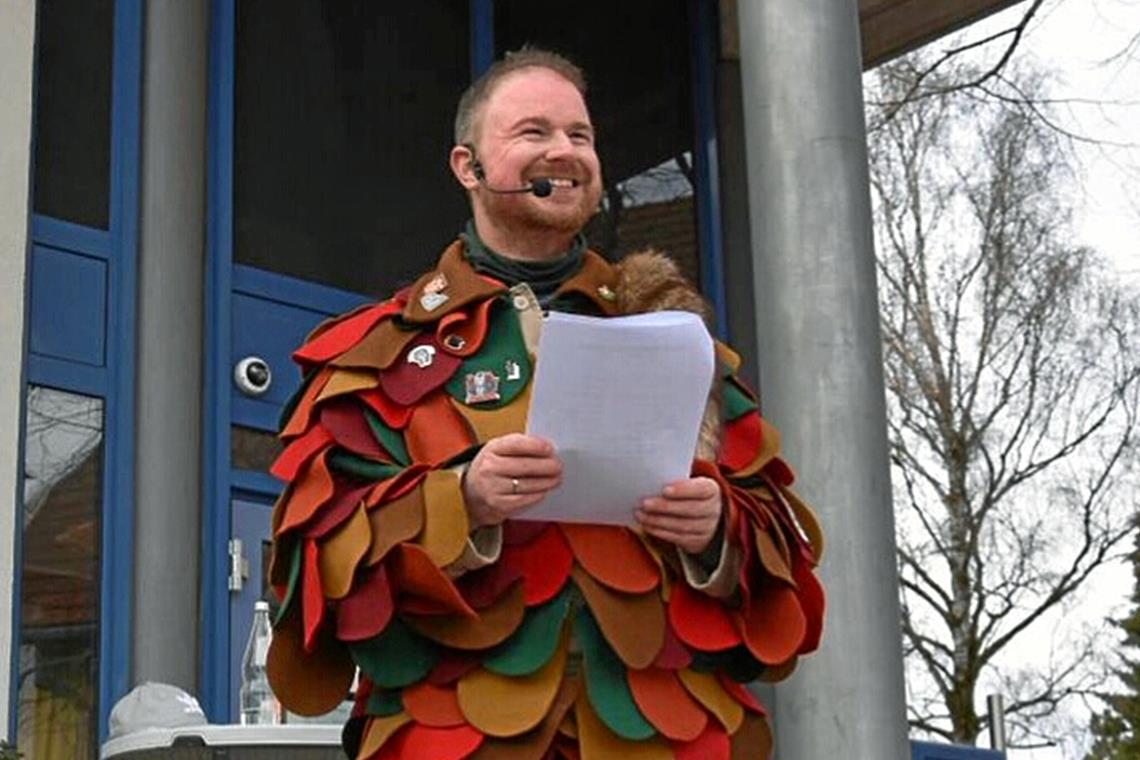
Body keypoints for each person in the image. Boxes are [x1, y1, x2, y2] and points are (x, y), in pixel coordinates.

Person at [266, 48, 825, 759]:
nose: (565, 151)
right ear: (467, 167)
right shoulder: (373, 354)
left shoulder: (676, 336)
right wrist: (459, 500)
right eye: (533, 133)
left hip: (665, 731)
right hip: (451, 733)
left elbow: (784, 550)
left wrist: (719, 528)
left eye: (580, 136)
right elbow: (313, 561)